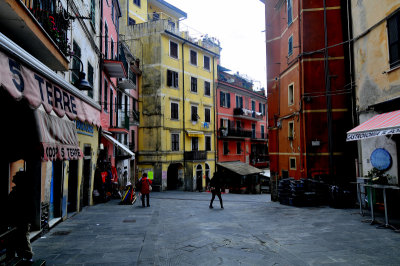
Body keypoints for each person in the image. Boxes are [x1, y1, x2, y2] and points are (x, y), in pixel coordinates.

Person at [6, 170, 35, 261]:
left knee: (22, 237)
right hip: (18, 219)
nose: (13, 177)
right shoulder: (20, 190)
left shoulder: (21, 191)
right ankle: (23, 255)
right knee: (20, 237)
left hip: (21, 219)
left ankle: (27, 255)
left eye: (16, 176)